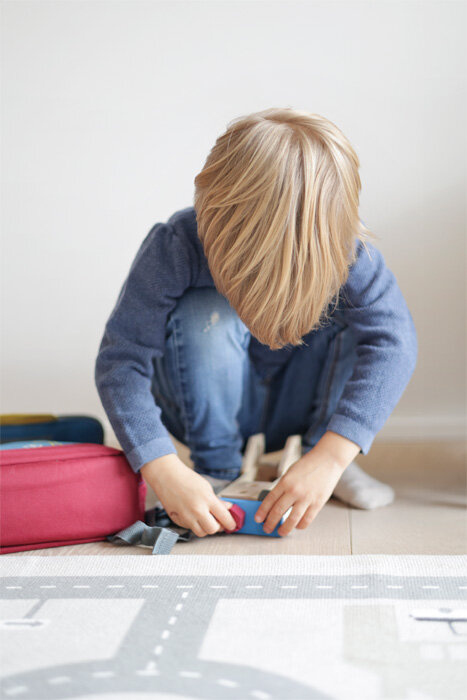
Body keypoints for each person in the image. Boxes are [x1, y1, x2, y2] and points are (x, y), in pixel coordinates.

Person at [95, 108, 418, 539]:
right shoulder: (176, 244)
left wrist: (332, 455)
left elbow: (395, 344)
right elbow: (122, 361)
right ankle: (217, 471)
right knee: (202, 310)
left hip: (297, 406)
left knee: (359, 317)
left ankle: (321, 462)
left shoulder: (349, 251)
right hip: (203, 409)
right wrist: (162, 468)